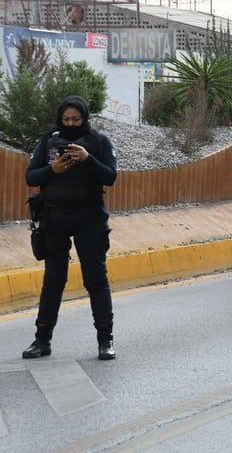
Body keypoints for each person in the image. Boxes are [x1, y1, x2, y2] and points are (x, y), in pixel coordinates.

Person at [22, 95, 118, 360]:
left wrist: (87, 159)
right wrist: (53, 169)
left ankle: (105, 340)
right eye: (66, 119)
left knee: (96, 280)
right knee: (53, 280)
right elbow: (31, 176)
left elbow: (110, 177)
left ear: (84, 118)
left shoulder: (99, 142)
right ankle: (42, 340)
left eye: (76, 119)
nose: (71, 124)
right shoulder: (48, 141)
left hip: (89, 218)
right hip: (55, 218)